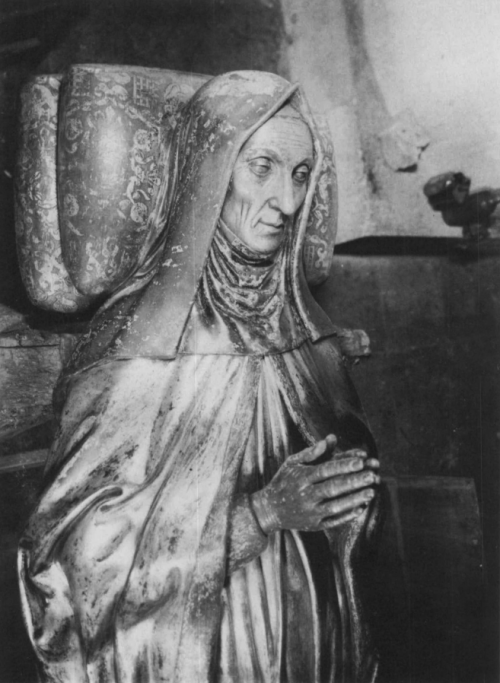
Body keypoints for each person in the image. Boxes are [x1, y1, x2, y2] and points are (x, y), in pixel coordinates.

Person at [18, 70, 381, 683]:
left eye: (299, 176)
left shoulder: (306, 339)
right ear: (205, 174)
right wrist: (261, 514)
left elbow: (350, 499)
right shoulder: (138, 348)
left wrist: (351, 492)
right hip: (201, 653)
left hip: (316, 643)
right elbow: (77, 563)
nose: (287, 204)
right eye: (260, 167)